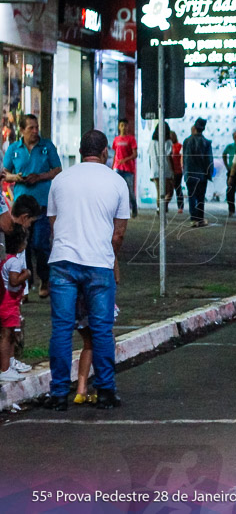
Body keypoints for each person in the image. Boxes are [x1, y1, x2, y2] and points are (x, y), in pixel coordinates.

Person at [44, 129, 130, 411]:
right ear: (105, 152)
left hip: (62, 262)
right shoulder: (116, 182)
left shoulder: (60, 180)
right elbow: (118, 234)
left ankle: (58, 394)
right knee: (102, 330)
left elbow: (54, 225)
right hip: (98, 264)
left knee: (61, 329)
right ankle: (105, 391)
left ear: (81, 151)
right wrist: (110, 257)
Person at [2, 114, 62, 299]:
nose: (35, 131)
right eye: (31, 128)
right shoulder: (14, 149)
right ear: (22, 130)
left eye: (36, 127)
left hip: (43, 203)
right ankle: (25, 285)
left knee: (41, 243)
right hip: (21, 204)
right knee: (22, 245)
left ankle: (45, 279)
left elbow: (57, 169)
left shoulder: (47, 146)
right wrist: (18, 178)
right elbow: (5, 172)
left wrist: (39, 176)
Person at [0, 225, 31, 381]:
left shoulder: (5, 259)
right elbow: (14, 281)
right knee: (7, 335)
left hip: (6, 301)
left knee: (9, 334)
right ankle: (5, 369)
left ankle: (8, 365)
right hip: (9, 304)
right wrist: (26, 274)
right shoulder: (15, 263)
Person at [182, 119, 214, 227]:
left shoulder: (186, 141)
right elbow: (209, 160)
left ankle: (193, 219)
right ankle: (200, 218)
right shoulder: (207, 142)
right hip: (201, 175)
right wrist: (209, 174)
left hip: (189, 174)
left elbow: (185, 159)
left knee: (192, 196)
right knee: (201, 197)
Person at [111, 118, 138, 218]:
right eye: (121, 125)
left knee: (129, 190)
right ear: (119, 127)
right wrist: (113, 165)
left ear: (128, 127)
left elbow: (135, 154)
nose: (123, 127)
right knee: (116, 190)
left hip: (128, 169)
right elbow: (115, 154)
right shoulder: (116, 139)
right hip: (117, 168)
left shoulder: (131, 139)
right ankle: (117, 210)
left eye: (125, 125)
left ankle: (134, 207)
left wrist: (125, 160)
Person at [148, 122, 173, 212]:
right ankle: (164, 206)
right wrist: (172, 169)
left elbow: (150, 157)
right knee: (169, 191)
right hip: (166, 169)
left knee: (159, 191)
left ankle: (159, 207)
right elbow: (169, 156)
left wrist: (151, 170)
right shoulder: (168, 142)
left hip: (155, 170)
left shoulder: (152, 142)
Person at [222, 131, 236, 217]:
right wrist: (227, 165)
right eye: (235, 137)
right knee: (230, 191)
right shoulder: (230, 147)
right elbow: (224, 154)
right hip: (231, 171)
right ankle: (231, 209)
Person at [169, 130, 184, 213]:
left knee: (178, 188)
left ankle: (180, 206)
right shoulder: (168, 146)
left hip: (178, 170)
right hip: (170, 170)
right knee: (169, 188)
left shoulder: (179, 146)